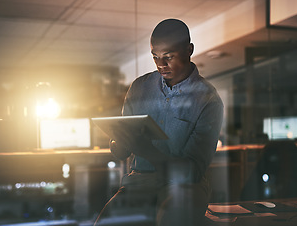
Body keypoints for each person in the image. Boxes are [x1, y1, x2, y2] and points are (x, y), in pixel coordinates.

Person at [95, 18, 223, 226]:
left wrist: (146, 149)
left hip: (186, 185)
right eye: (155, 57)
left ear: (189, 50)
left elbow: (192, 172)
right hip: (139, 182)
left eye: (168, 57)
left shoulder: (208, 99)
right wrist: (119, 143)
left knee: (173, 217)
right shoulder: (139, 88)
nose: (161, 65)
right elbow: (120, 152)